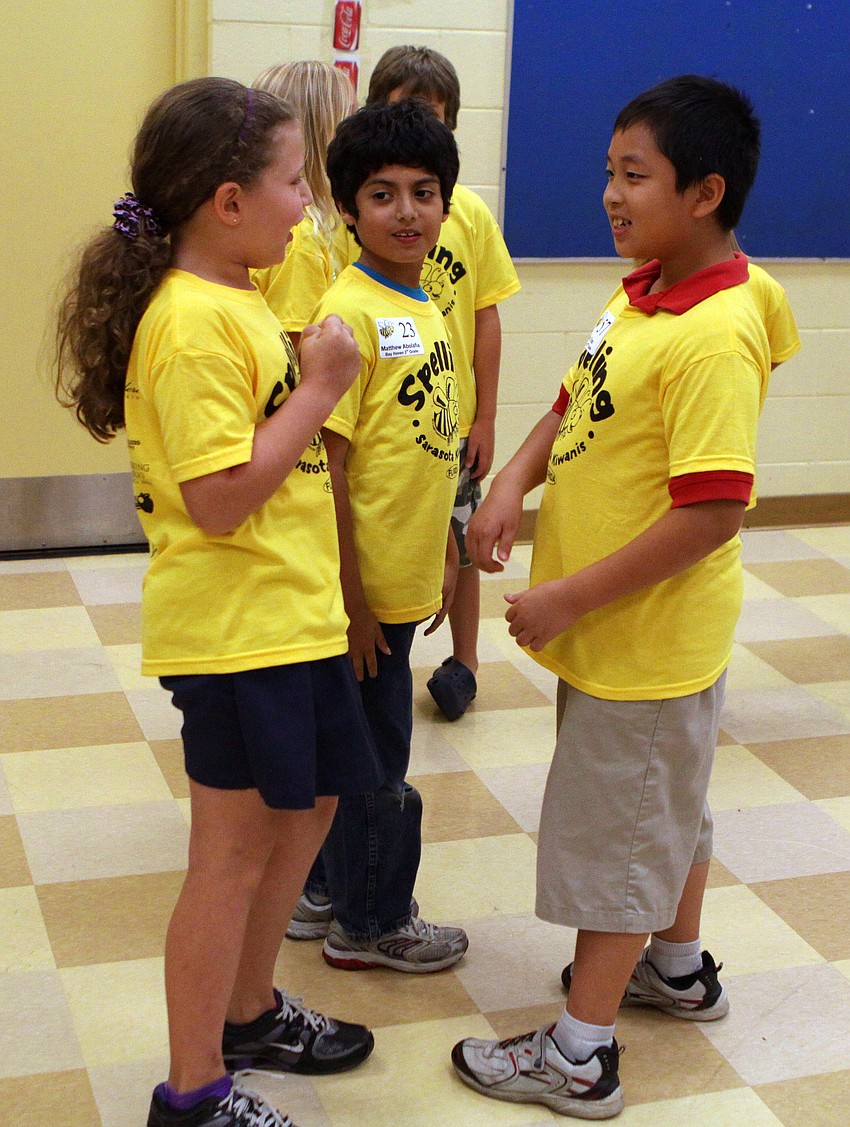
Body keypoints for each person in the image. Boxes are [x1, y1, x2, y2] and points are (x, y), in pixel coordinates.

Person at [450, 75, 799, 1119]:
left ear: (704, 191)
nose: (609, 193)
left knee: (617, 830)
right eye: (609, 171)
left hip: (644, 634)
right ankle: (674, 965)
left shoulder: (713, 332)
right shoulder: (648, 287)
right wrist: (513, 479)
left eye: (632, 176)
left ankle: (579, 1051)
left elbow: (709, 512)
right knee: (665, 808)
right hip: (632, 634)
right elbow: (578, 397)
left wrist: (564, 597)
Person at [55, 76, 385, 1127]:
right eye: (294, 181)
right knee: (229, 855)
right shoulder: (192, 322)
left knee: (315, 802)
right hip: (237, 630)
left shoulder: (239, 298)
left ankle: (247, 1010)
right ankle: (193, 1087)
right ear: (224, 200)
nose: (309, 201)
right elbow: (219, 498)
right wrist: (323, 389)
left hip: (289, 617)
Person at [302, 97, 470, 973]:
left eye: (424, 191)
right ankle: (370, 922)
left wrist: (444, 546)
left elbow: (426, 443)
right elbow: (327, 469)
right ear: (347, 208)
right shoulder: (349, 312)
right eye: (382, 194)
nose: (407, 211)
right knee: (377, 758)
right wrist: (356, 601)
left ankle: (329, 884)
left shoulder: (428, 299)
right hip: (357, 593)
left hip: (403, 576)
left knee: (362, 742)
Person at [365, 46, 521, 722]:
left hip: (449, 419)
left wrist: (484, 419)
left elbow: (486, 319)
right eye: (403, 116)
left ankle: (465, 661)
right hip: (386, 420)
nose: (419, 134)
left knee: (458, 537)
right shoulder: (364, 219)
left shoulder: (471, 217)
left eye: (433, 121)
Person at [251, 60, 356, 353]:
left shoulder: (305, 227)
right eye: (351, 122)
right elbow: (296, 362)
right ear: (325, 133)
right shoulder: (300, 239)